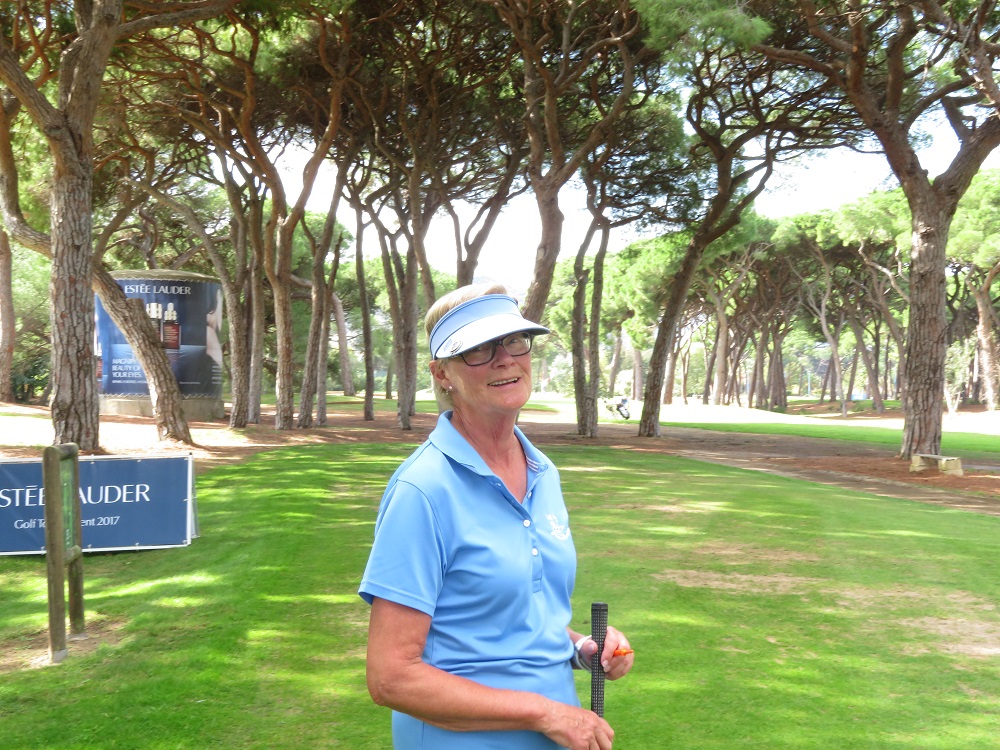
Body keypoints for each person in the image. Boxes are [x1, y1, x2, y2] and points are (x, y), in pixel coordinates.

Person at [359, 283, 635, 750]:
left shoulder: (542, 472)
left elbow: (520, 619)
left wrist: (580, 647)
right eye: (478, 349)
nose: (504, 359)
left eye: (513, 340)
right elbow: (391, 677)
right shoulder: (422, 490)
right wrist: (545, 712)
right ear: (442, 374)